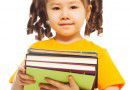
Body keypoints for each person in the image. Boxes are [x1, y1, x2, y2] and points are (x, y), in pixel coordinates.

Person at [10, 0, 125, 90]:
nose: (65, 15)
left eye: (73, 7)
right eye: (56, 8)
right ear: (46, 13)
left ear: (87, 12)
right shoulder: (35, 50)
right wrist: (18, 82)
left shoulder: (99, 53)